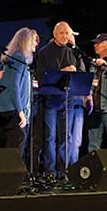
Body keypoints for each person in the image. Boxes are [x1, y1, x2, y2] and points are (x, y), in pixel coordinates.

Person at [35, 21, 81, 180]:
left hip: (68, 98)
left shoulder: (72, 52)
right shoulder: (44, 52)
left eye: (67, 33)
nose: (65, 36)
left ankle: (64, 171)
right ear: (55, 34)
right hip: (51, 98)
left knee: (66, 136)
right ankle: (50, 171)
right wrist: (62, 72)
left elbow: (81, 72)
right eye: (61, 33)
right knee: (50, 137)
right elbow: (41, 77)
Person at [0, 27, 39, 155]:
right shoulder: (19, 58)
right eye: (34, 40)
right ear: (27, 41)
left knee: (12, 143)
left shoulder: (11, 58)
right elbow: (14, 86)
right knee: (18, 141)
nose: (36, 44)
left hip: (4, 107)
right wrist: (21, 112)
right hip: (12, 109)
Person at [67, 30, 93, 165]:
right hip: (65, 101)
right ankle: (63, 169)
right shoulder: (58, 52)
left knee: (77, 140)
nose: (72, 38)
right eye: (70, 35)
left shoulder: (78, 54)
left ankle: (73, 168)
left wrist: (89, 95)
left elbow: (83, 74)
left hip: (79, 101)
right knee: (67, 138)